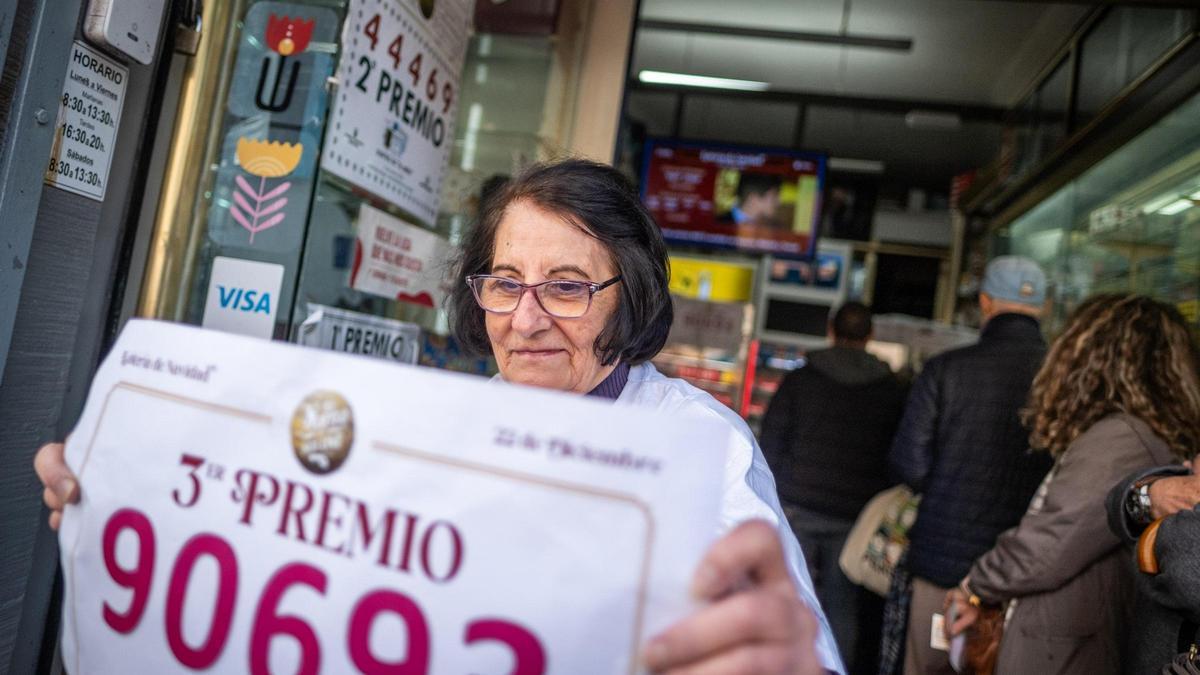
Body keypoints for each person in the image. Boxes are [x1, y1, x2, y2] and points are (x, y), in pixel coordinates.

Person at [37, 159, 841, 674]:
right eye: (504, 282)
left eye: (565, 286)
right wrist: (120, 493)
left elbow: (799, 651)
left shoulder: (700, 448)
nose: (525, 320)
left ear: (629, 296)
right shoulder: (445, 421)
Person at [944, 294, 1200, 674]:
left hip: (1063, 647)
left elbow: (1048, 544)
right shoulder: (1149, 433)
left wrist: (975, 586)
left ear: (1092, 356)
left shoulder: (1120, 437)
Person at [887, 256, 1053, 675]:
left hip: (942, 567)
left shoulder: (946, 370)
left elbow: (909, 464)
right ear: (1046, 308)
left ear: (984, 302)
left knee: (930, 666)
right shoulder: (1062, 380)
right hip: (1025, 576)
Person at [759, 301, 906, 674]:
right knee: (842, 608)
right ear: (870, 336)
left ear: (830, 330)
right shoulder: (892, 390)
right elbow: (900, 454)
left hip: (796, 506)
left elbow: (771, 441)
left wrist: (775, 494)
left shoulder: (801, 379)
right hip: (854, 517)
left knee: (789, 595)